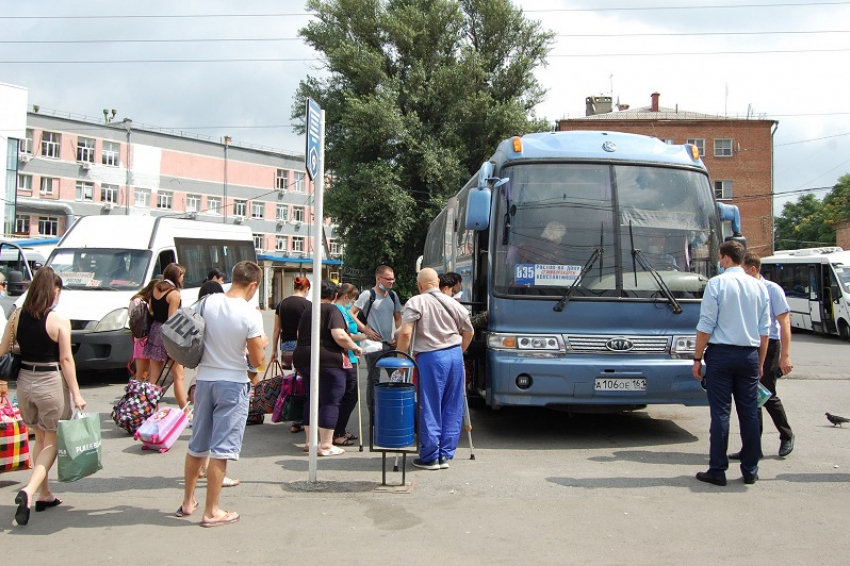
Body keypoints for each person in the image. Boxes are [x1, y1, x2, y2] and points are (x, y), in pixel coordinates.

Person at [177, 261, 266, 527]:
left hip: (204, 380)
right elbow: (256, 358)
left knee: (197, 445)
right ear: (253, 285)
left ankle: (187, 501)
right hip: (232, 382)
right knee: (221, 450)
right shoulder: (250, 314)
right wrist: (259, 346)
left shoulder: (207, 302)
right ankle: (211, 510)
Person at [2, 267, 86, 527]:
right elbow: (65, 359)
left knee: (39, 435)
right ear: (53, 291)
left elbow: (3, 350)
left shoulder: (16, 316)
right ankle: (28, 491)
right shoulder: (59, 320)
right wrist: (76, 393)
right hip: (50, 381)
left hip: (25, 382)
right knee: (51, 440)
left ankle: (45, 494)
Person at [692, 241, 769, 487]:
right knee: (749, 413)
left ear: (724, 258)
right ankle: (750, 469)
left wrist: (697, 358)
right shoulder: (759, 287)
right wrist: (760, 362)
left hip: (721, 355)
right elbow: (764, 330)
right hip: (749, 355)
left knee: (721, 413)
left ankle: (718, 469)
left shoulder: (716, 284)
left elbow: (706, 325)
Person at [396, 268, 474, 470]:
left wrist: (400, 360)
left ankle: (430, 455)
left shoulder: (416, 301)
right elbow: (468, 332)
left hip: (430, 357)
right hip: (455, 355)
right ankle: (445, 454)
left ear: (420, 285)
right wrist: (459, 351)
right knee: (452, 404)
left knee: (428, 404)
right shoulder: (453, 303)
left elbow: (405, 333)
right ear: (438, 283)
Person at [727, 252, 795, 458]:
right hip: (750, 344)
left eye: (743, 270)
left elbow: (784, 323)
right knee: (750, 396)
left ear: (753, 269)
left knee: (766, 392)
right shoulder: (744, 289)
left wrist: (785, 355)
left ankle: (786, 435)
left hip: (770, 344)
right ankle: (752, 446)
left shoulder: (772, 289)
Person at [294, 280, 363, 456]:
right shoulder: (332, 309)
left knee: (313, 398)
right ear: (334, 296)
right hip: (327, 359)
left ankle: (310, 442)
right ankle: (326, 444)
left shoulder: (309, 310)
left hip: (302, 357)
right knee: (331, 400)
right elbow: (339, 335)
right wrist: (354, 347)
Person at [350, 265, 402, 416]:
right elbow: (351, 313)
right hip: (372, 345)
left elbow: (398, 318)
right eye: (388, 279)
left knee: (397, 375)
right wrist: (366, 330)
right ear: (378, 278)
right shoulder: (368, 294)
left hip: (389, 344)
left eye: (393, 279)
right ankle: (373, 413)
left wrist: (397, 335)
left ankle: (395, 410)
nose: (391, 282)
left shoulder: (393, 295)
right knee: (374, 378)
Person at [144, 263, 188, 409]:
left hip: (155, 330)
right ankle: (185, 411)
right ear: (177, 276)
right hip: (167, 334)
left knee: (153, 377)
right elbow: (172, 319)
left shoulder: (156, 288)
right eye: (182, 275)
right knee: (178, 375)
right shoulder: (174, 294)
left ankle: (151, 409)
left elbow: (151, 309)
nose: (183, 278)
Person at [271, 275, 311, 433]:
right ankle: (299, 419)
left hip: (287, 347)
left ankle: (295, 417)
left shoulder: (282, 304)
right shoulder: (308, 305)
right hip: (302, 346)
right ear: (306, 289)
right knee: (304, 382)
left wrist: (274, 350)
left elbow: (276, 330)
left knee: (296, 381)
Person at [332, 283, 367, 446]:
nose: (352, 304)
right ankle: (337, 430)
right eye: (352, 300)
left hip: (351, 355)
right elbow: (343, 334)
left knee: (349, 395)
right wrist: (358, 338)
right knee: (349, 395)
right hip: (345, 357)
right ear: (345, 297)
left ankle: (340, 428)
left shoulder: (344, 311)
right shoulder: (337, 310)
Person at [129, 279, 160, 382]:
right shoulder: (139, 301)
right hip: (142, 340)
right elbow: (137, 322)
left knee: (152, 372)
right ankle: (139, 394)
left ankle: (146, 394)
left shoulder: (147, 301)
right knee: (142, 373)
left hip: (150, 340)